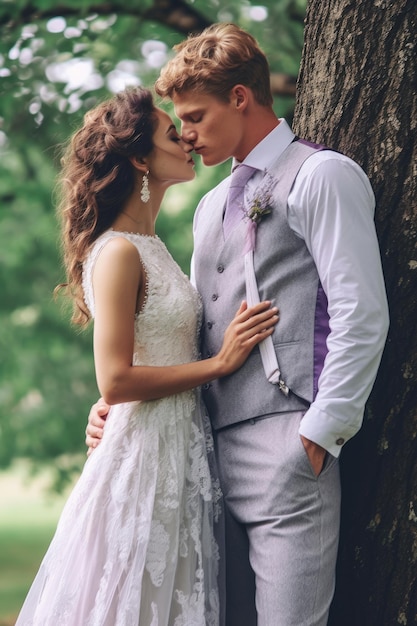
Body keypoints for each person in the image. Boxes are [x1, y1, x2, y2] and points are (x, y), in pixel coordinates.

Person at [86, 24, 390, 626]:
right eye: (180, 124)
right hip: (199, 457)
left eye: (195, 117)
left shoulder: (322, 176)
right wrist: (114, 400)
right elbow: (193, 327)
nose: (188, 135)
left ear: (241, 99)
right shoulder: (207, 206)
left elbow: (361, 311)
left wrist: (320, 432)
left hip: (287, 446)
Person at [15, 86, 279, 626]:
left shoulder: (151, 245)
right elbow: (115, 379)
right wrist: (220, 363)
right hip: (144, 459)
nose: (184, 138)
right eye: (168, 132)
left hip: (179, 450)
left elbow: (141, 353)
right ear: (139, 158)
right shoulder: (117, 252)